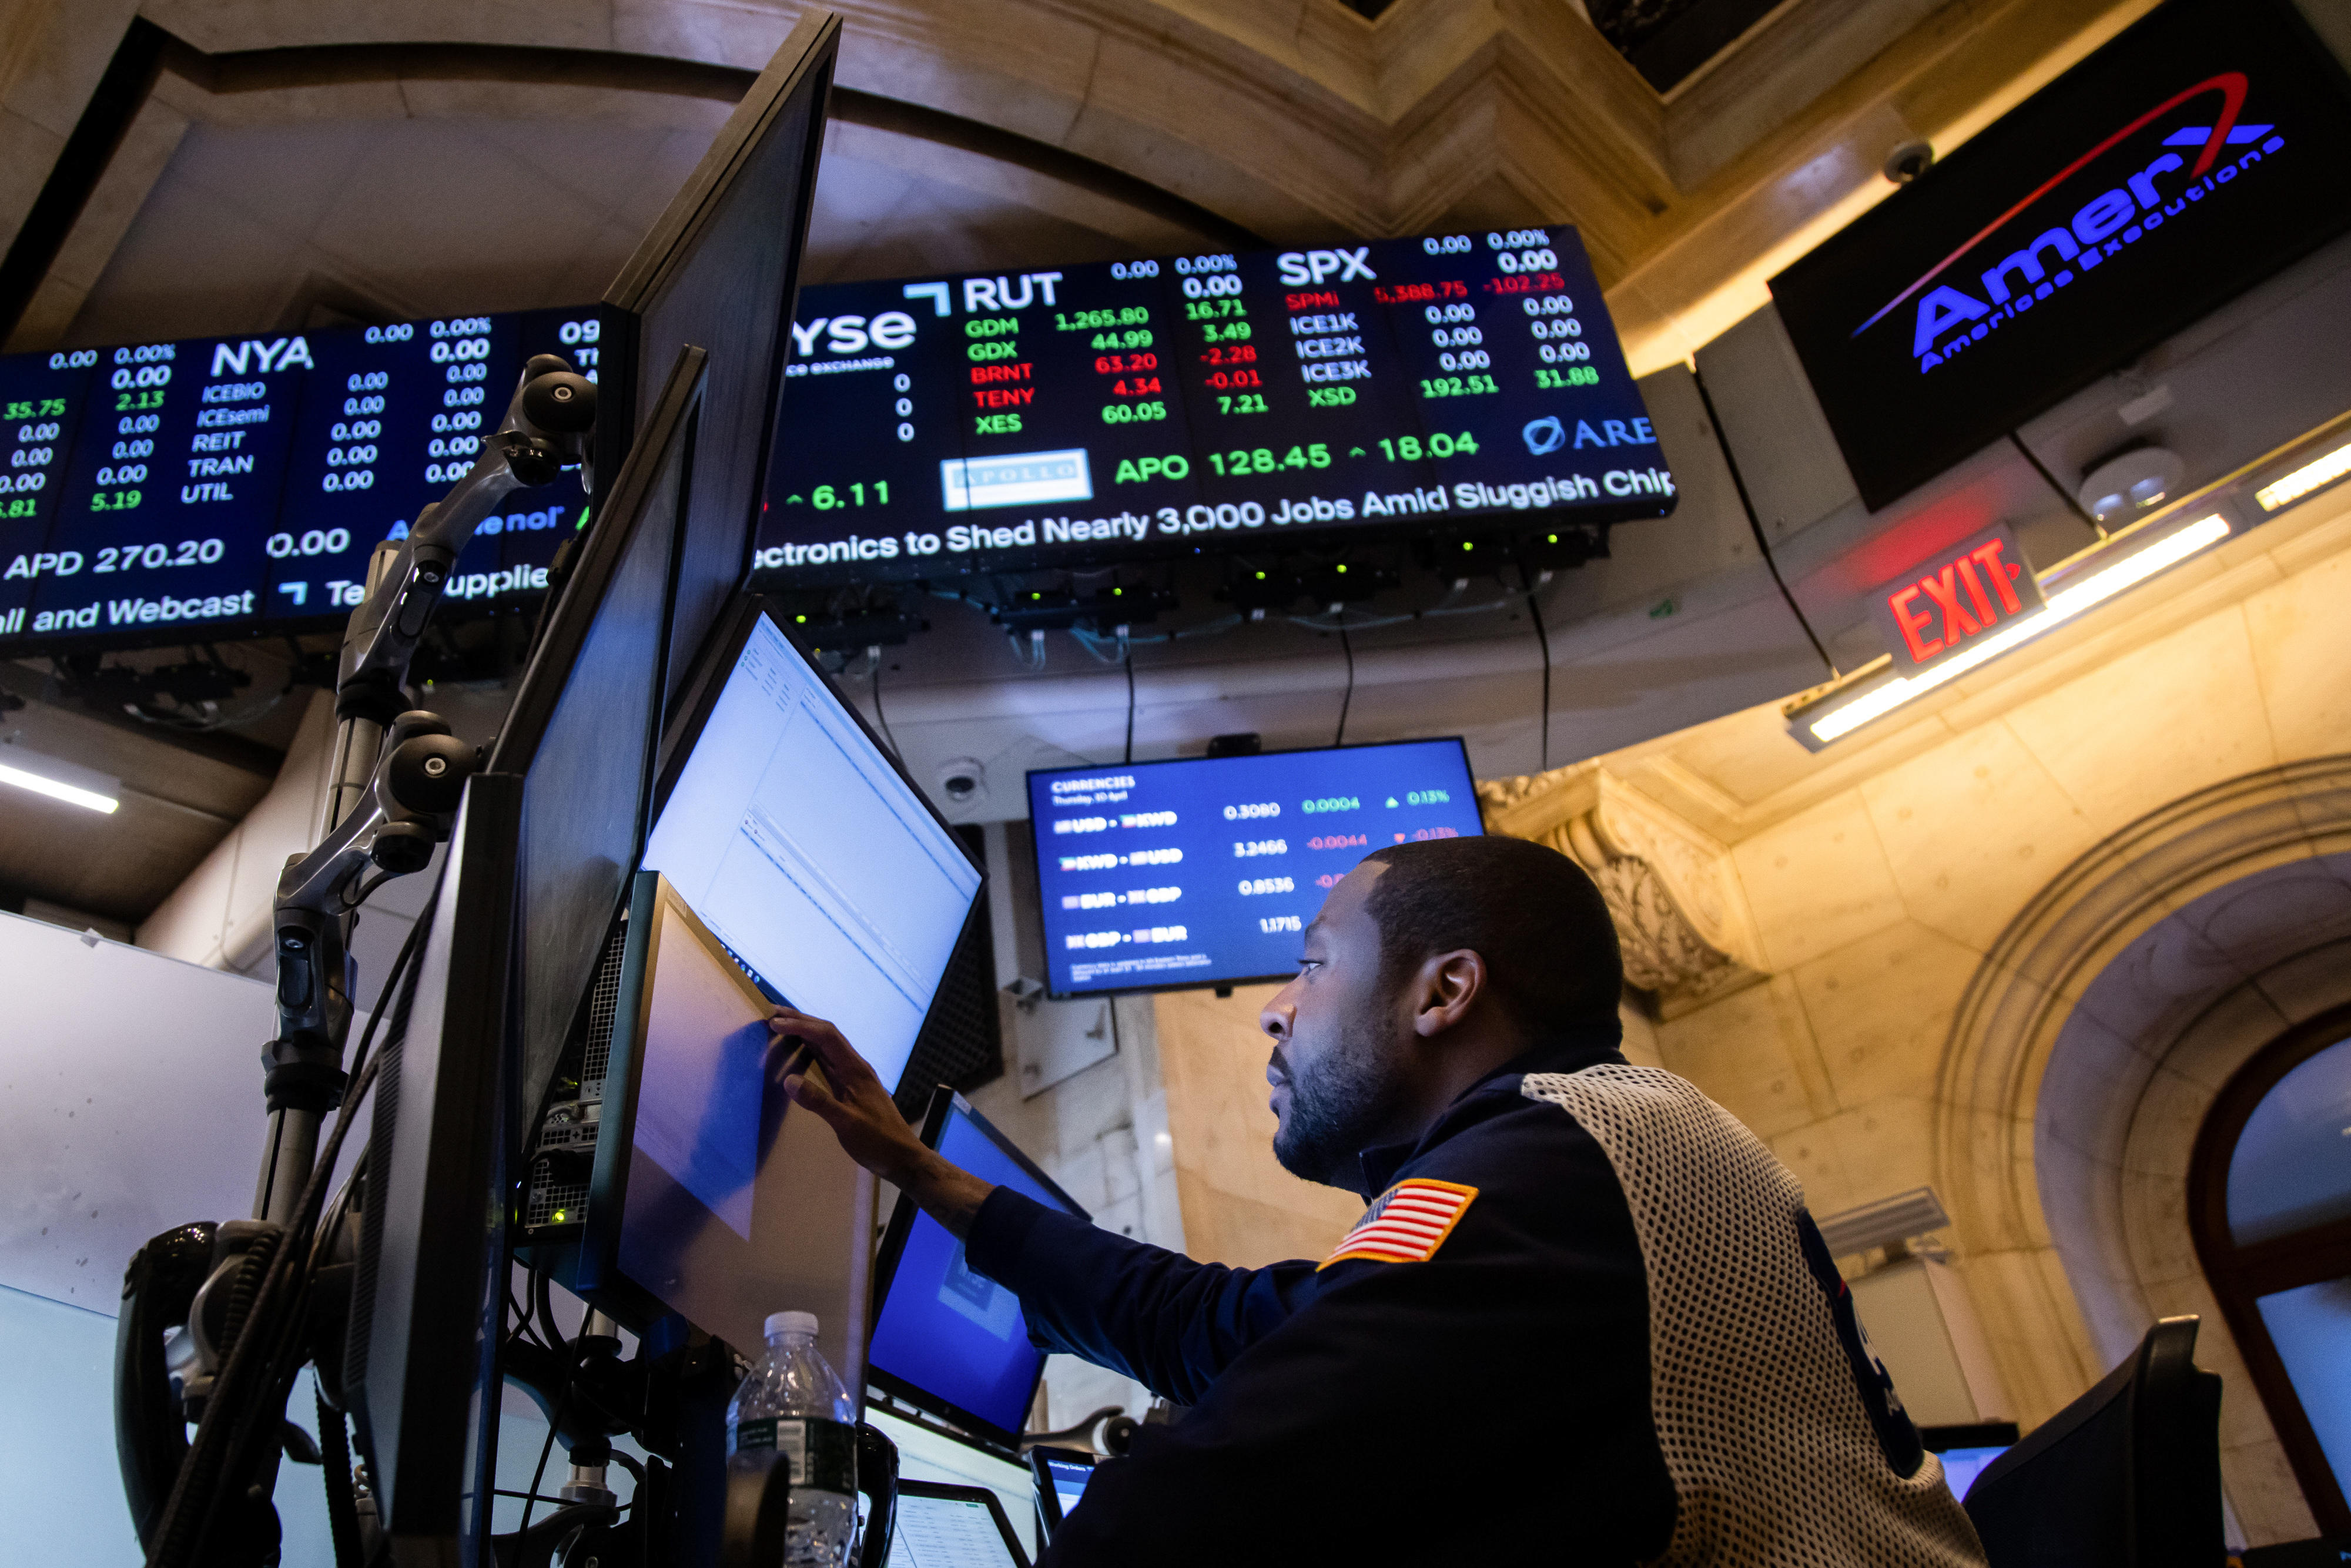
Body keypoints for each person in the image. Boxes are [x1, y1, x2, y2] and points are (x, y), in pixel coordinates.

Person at [772, 835, 1986, 1566]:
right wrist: (922, 1171)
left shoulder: (1561, 1156)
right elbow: (1232, 1331)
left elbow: (1206, 1498)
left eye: (1310, 962)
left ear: (1443, 992)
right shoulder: (1603, 1148)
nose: (1274, 1008)